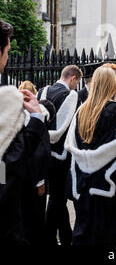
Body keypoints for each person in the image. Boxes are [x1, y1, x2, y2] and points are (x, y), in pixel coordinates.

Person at [65, 66, 116, 245]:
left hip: (83, 186)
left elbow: (73, 147)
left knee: (83, 234)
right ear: (111, 85)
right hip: (107, 188)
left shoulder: (81, 112)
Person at [0, 19, 46, 245]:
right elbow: (10, 164)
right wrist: (36, 119)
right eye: (7, 51)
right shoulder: (6, 100)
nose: (7, 58)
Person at [37, 65, 82, 246]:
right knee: (58, 198)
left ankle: (65, 235)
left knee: (56, 197)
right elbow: (64, 127)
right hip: (60, 156)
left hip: (42, 152)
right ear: (72, 78)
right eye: (77, 82)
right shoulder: (71, 96)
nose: (76, 86)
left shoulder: (43, 91)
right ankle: (48, 236)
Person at [21, 99, 55, 245]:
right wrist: (40, 181)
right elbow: (41, 154)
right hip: (32, 180)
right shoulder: (39, 123)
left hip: (16, 178)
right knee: (34, 219)